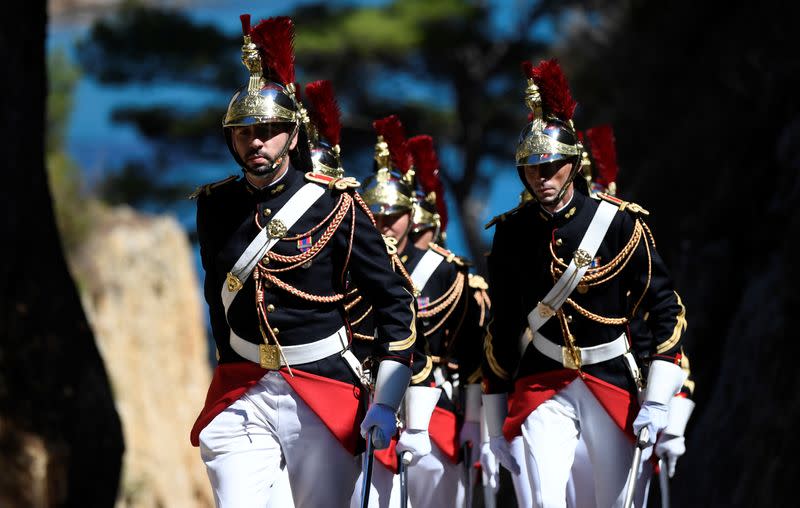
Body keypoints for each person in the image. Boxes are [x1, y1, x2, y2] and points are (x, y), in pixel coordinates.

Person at [188, 16, 416, 507]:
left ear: (292, 136)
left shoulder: (336, 204)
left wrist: (387, 400)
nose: (257, 142)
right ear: (232, 140)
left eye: (269, 131)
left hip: (322, 387)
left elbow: (393, 302)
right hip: (242, 387)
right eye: (245, 132)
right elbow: (217, 298)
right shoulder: (214, 206)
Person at [481, 59, 689, 508]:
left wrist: (656, 400)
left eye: (554, 165)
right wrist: (493, 418)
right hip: (542, 380)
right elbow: (502, 327)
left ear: (573, 164)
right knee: (542, 501)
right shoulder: (511, 232)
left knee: (618, 501)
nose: (543, 176)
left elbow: (665, 311)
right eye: (532, 167)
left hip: (611, 376)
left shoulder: (618, 223)